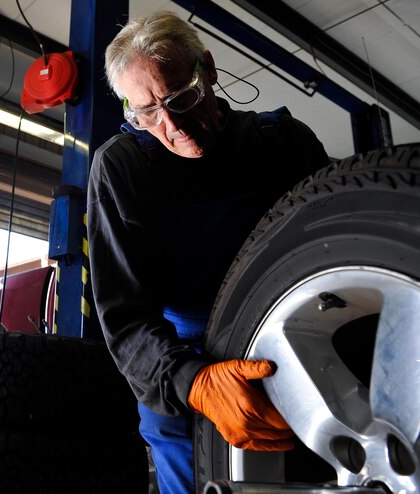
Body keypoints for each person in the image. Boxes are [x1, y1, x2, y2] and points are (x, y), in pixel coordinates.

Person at [86, 10, 330, 493]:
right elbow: (126, 318)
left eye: (180, 96)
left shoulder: (283, 144)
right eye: (148, 112)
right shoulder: (121, 168)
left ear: (210, 69)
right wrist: (193, 382)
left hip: (297, 342)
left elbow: (341, 251)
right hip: (185, 359)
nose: (173, 123)